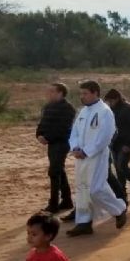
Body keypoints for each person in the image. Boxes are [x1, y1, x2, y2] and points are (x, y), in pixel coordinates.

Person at [64, 81, 127, 237]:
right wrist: (75, 147)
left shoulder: (105, 111)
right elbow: (75, 132)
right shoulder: (83, 112)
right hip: (80, 156)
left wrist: (87, 151)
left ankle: (118, 209)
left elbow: (105, 136)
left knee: (95, 189)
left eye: (85, 93)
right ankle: (84, 222)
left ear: (95, 93)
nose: (82, 96)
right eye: (81, 93)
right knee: (82, 189)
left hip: (96, 156)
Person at [36, 83, 76, 214]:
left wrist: (47, 137)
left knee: (54, 172)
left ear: (60, 93)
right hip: (52, 143)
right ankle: (67, 201)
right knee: (59, 171)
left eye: (52, 91)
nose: (49, 94)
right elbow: (43, 123)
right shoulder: (48, 107)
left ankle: (54, 204)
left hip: (61, 143)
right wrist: (39, 135)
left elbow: (63, 128)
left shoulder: (68, 108)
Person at [103, 89, 130, 202]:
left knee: (121, 165)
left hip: (127, 143)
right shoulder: (111, 110)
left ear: (117, 99)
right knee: (118, 169)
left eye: (110, 100)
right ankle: (122, 193)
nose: (109, 103)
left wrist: (129, 144)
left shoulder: (128, 109)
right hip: (115, 143)